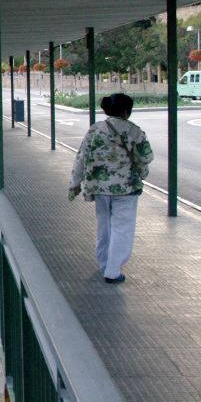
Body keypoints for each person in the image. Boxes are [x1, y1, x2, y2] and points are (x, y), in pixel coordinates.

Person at [69, 93, 154, 284]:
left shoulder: (95, 129)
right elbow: (146, 157)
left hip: (99, 187)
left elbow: (82, 156)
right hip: (125, 187)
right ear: (126, 112)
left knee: (104, 226)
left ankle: (104, 263)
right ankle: (113, 270)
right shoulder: (134, 131)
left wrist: (75, 183)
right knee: (122, 228)